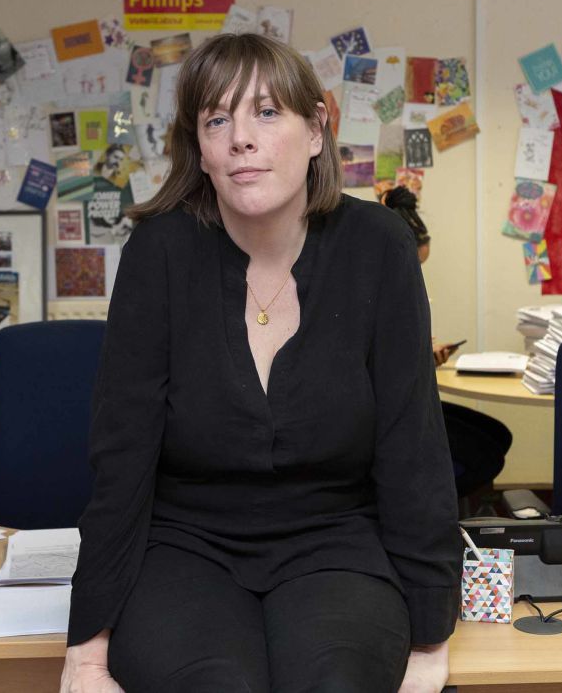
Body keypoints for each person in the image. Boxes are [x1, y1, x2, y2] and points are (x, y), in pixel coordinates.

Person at [60, 34, 459, 693]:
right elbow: (121, 455)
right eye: (218, 119)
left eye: (267, 113)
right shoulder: (159, 253)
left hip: (336, 542)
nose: (240, 138)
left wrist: (430, 635)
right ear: (201, 145)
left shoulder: (378, 247)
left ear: (316, 128)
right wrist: (87, 647)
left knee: (335, 681)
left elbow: (413, 447)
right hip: (184, 546)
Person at [380, 185, 513, 504]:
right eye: (414, 266)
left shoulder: (402, 292)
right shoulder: (375, 293)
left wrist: (426, 357)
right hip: (389, 418)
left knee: (498, 434)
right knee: (487, 457)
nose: (416, 275)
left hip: (411, 402)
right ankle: (428, 511)